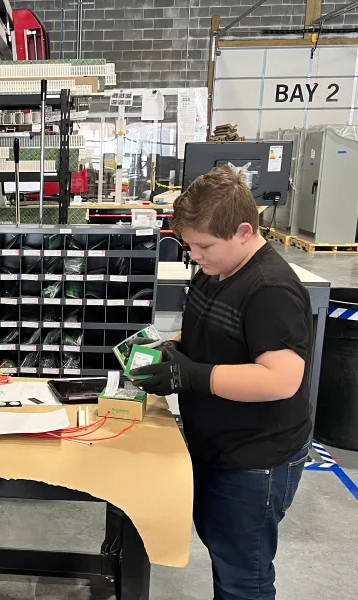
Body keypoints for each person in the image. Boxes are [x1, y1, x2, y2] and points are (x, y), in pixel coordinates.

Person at [131, 167, 311, 600]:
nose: (194, 255)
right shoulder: (217, 271)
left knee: (243, 575)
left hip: (255, 459)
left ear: (244, 231)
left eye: (203, 245)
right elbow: (217, 336)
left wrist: (190, 375)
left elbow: (281, 379)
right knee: (225, 553)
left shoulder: (270, 289)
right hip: (217, 446)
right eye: (189, 245)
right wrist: (170, 347)